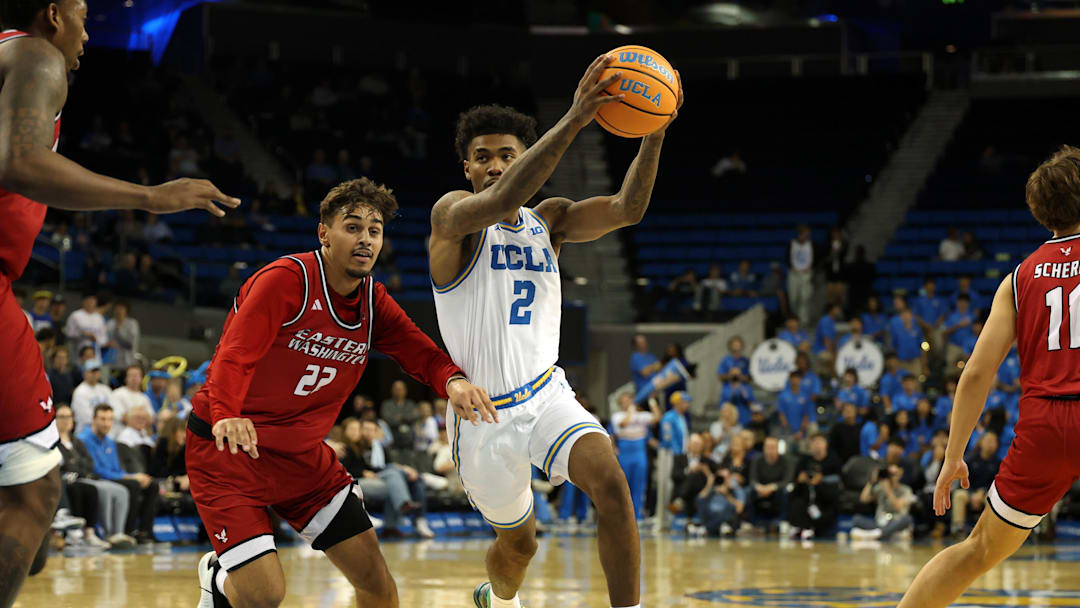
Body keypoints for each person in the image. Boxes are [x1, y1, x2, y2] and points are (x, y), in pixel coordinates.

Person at [0, 4, 239, 592]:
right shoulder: (36, 53)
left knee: (28, 514)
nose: (87, 32)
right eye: (82, 16)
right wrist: (151, 196)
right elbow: (22, 162)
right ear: (53, 14)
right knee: (35, 496)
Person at [427, 58, 683, 608]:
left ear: (524, 159)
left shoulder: (552, 221)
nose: (494, 167)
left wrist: (653, 137)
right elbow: (499, 204)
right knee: (519, 547)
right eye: (482, 158)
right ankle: (497, 598)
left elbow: (627, 210)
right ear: (466, 169)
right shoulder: (451, 217)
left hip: (548, 396)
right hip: (483, 417)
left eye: (507, 156)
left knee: (611, 484)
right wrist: (575, 118)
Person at [186, 178, 492, 608]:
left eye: (375, 229)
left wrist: (453, 381)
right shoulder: (285, 280)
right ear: (324, 233)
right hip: (229, 451)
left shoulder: (374, 300)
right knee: (264, 596)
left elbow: (419, 351)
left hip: (303, 460)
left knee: (379, 587)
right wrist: (226, 412)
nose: (365, 239)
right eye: (353, 226)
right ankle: (219, 579)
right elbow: (234, 356)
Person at [899, 146, 1080, 607]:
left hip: (1044, 426)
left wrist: (953, 456)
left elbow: (977, 373)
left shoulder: (1020, 278)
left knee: (977, 551)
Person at [76, 405, 159, 544]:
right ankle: (128, 531)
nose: (106, 423)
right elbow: (95, 469)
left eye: (110, 419)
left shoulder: (110, 441)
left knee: (152, 485)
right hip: (96, 479)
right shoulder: (84, 439)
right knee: (133, 485)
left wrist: (135, 475)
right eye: (102, 419)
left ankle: (145, 532)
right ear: (93, 419)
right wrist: (130, 477)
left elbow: (117, 468)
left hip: (114, 477)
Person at [54, 404, 123, 548]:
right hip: (64, 480)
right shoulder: (53, 442)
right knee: (77, 488)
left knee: (91, 490)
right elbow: (62, 465)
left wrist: (75, 468)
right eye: (62, 417)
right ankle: (74, 534)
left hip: (81, 477)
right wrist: (75, 467)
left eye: (69, 417)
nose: (66, 420)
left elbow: (88, 463)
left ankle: (90, 533)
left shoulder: (76, 441)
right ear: (54, 419)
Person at [609, 392, 661, 520]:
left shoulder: (641, 416)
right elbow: (624, 424)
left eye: (629, 400)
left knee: (639, 485)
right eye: (624, 401)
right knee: (623, 485)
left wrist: (652, 401)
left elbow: (657, 417)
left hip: (639, 453)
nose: (627, 403)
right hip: (625, 453)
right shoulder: (617, 416)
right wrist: (631, 411)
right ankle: (622, 515)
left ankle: (636, 516)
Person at [787, 433, 841, 540]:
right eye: (814, 442)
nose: (817, 445)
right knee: (796, 501)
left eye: (820, 442)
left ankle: (815, 528)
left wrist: (821, 481)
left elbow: (837, 482)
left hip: (825, 498)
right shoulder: (804, 460)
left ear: (826, 444)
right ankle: (800, 528)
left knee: (827, 503)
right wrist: (801, 480)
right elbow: (795, 480)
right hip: (806, 496)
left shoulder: (834, 460)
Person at [851, 464, 915, 541]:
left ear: (900, 475)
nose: (891, 477)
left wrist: (888, 490)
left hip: (896, 521)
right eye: (889, 475)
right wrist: (871, 481)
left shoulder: (906, 489)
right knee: (856, 519)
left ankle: (875, 534)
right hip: (880, 523)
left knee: (908, 519)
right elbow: (863, 499)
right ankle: (887, 533)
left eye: (894, 474)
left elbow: (898, 506)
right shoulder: (880, 488)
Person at [656, 391, 691, 529]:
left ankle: (669, 518)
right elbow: (667, 437)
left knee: (673, 485)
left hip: (679, 455)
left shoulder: (681, 417)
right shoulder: (669, 417)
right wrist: (675, 453)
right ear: (677, 402)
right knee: (665, 484)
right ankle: (661, 519)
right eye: (685, 402)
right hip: (669, 454)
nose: (687, 405)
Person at [748, 436, 791, 530]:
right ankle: (752, 523)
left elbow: (787, 480)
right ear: (764, 448)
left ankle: (781, 521)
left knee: (785, 492)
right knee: (750, 492)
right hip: (760, 488)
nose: (770, 450)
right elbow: (752, 479)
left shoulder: (785, 461)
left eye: (773, 447)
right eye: (768, 447)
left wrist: (772, 487)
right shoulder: (757, 459)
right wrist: (759, 487)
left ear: (777, 449)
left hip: (776, 489)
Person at [109, 364, 152, 438]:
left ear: (141, 378)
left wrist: (133, 415)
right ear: (126, 378)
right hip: (120, 436)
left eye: (136, 376)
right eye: (131, 375)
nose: (134, 378)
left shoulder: (144, 398)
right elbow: (123, 418)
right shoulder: (117, 394)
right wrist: (141, 416)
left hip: (140, 437)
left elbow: (150, 420)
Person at [70, 358, 111, 431]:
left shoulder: (105, 389)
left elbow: (113, 410)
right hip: (85, 432)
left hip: (103, 430)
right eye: (92, 371)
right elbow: (85, 417)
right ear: (85, 373)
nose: (95, 374)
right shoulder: (80, 391)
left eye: (97, 371)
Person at [788, 225, 814, 326]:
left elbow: (817, 257)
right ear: (800, 234)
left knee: (805, 298)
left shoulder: (811, 244)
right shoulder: (792, 243)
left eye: (808, 234)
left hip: (806, 274)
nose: (807, 236)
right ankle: (794, 318)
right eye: (805, 234)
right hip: (794, 274)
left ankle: (804, 321)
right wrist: (791, 266)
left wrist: (811, 267)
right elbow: (787, 257)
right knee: (794, 298)